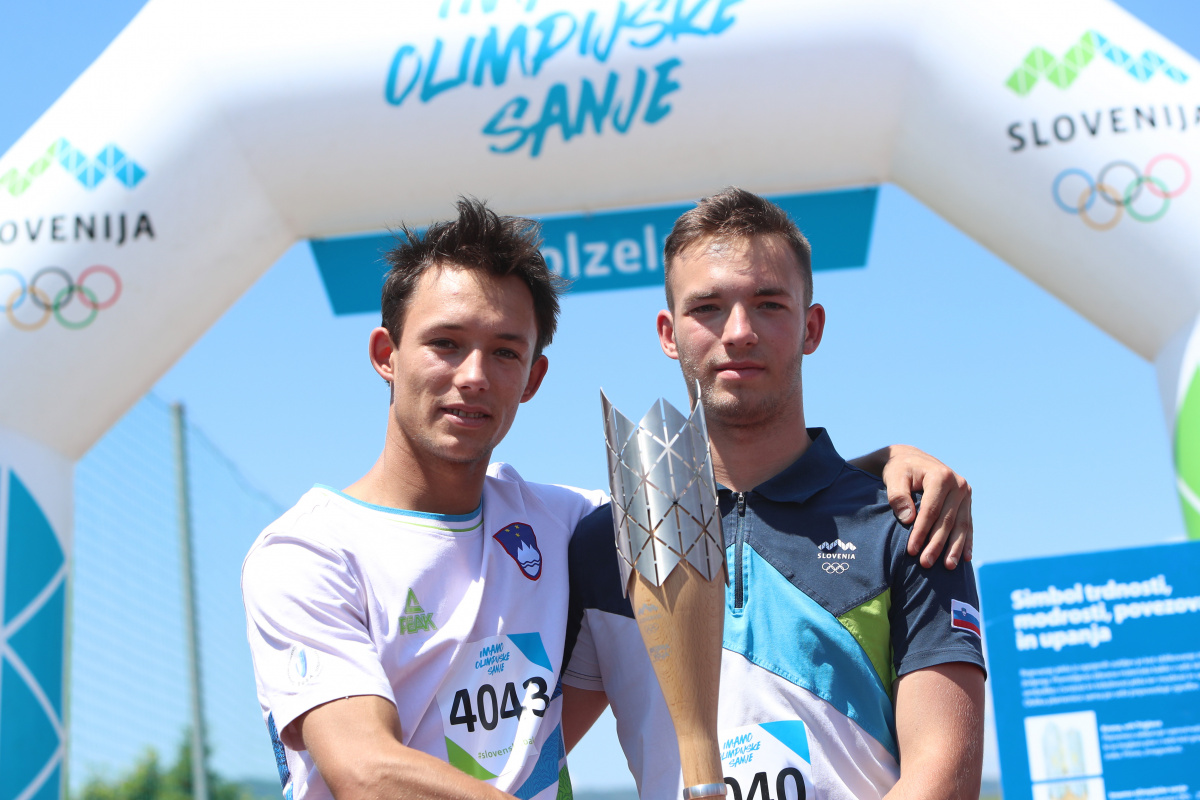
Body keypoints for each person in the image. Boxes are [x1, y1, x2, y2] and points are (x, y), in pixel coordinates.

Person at [242, 198, 973, 800]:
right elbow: (365, 772)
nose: (474, 376)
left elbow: (749, 502)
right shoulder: (311, 551)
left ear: (533, 377)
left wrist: (876, 472)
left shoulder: (580, 524)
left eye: (505, 351)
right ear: (386, 355)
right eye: (446, 344)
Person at [561, 188, 987, 800]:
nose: (739, 332)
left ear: (811, 327)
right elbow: (522, 760)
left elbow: (943, 776)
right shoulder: (604, 543)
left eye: (768, 304)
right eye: (707, 307)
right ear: (669, 333)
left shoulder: (905, 523)